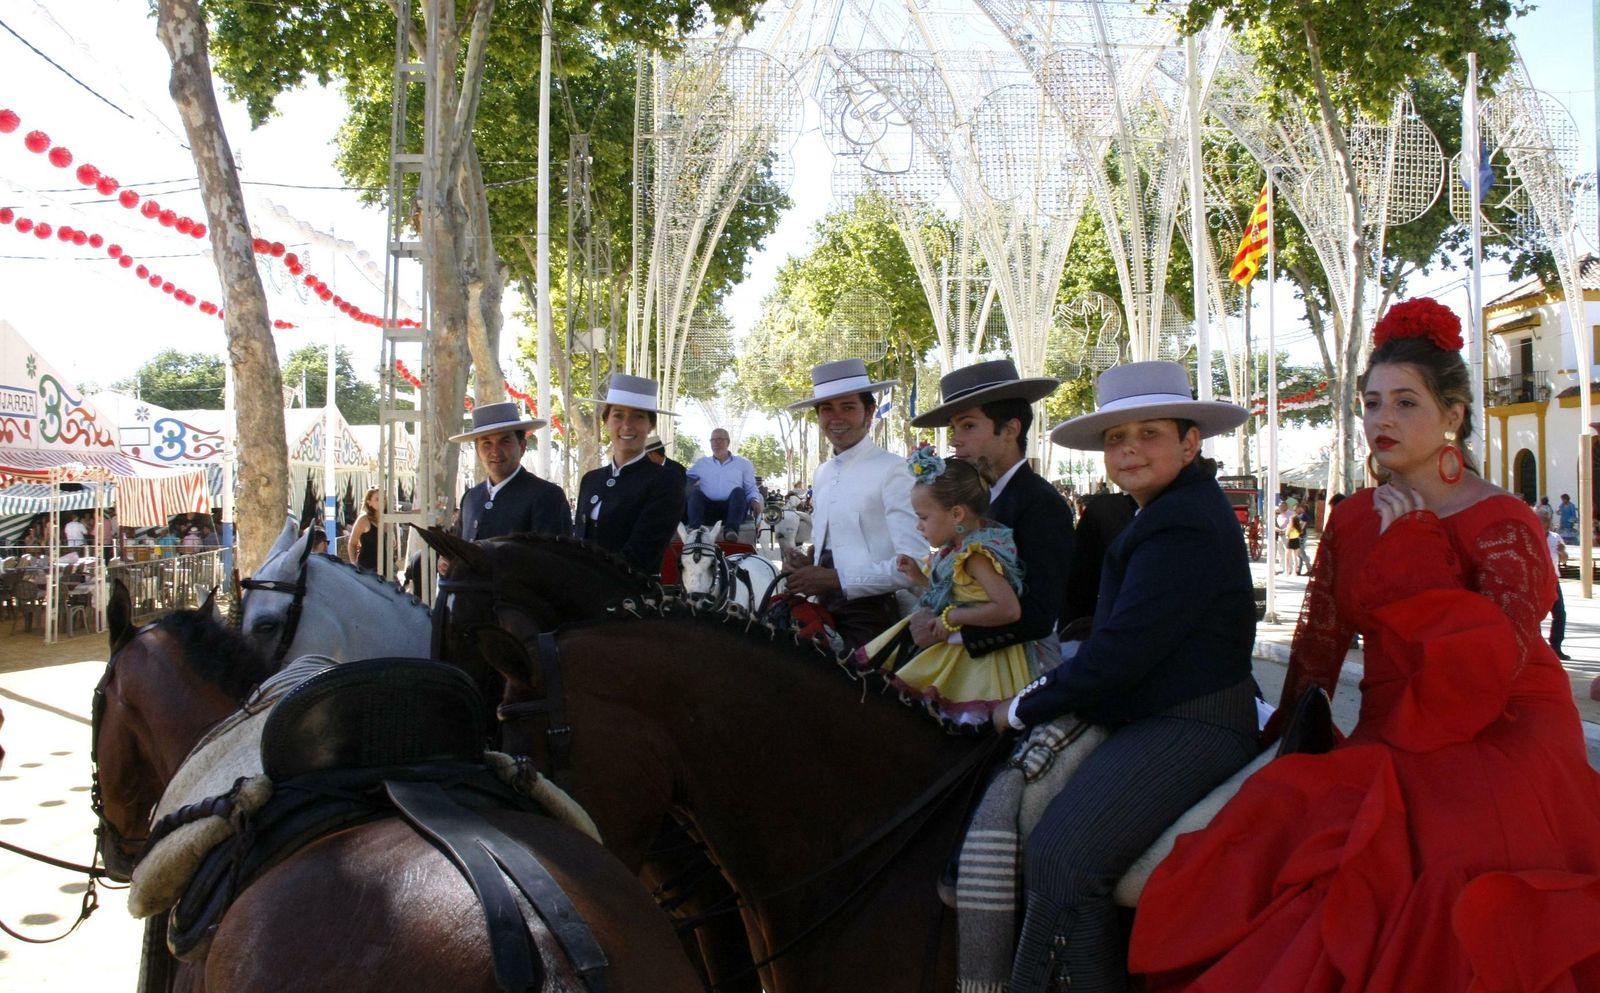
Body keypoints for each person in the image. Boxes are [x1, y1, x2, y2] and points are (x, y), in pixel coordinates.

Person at [1130, 297, 1600, 992]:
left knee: (1438, 872)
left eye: (1405, 403)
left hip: (1502, 740)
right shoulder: (1351, 519)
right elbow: (1317, 653)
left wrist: (1412, 549)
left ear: (1453, 415)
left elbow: (1486, 673)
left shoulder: (1504, 521)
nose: (1382, 419)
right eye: (1372, 402)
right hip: (1393, 735)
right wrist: (1272, 743)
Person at [991, 360, 1258, 993]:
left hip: (1190, 720)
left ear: (1190, 442)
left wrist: (1022, 707)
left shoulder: (1181, 520)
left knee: (1063, 856)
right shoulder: (1162, 509)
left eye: (1150, 433)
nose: (1130, 448)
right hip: (1163, 708)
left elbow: (1122, 656)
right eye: (1117, 437)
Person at [907, 358, 1074, 671]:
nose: (955, 439)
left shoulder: (1042, 504)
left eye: (968, 425)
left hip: (1020, 667)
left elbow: (1039, 615)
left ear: (1010, 429)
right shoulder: (971, 499)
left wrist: (948, 633)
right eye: (954, 428)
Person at [858, 450, 1036, 724]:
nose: (918, 526)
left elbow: (1008, 609)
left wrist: (952, 617)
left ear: (956, 514)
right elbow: (955, 593)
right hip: (958, 646)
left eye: (923, 517)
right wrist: (920, 578)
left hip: (979, 663)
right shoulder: (955, 551)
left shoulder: (976, 557)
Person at [782, 358, 925, 648]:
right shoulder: (822, 473)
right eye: (826, 409)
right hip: (819, 604)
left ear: (869, 412)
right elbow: (835, 541)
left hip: (870, 612)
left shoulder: (894, 469)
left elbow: (914, 564)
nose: (836, 418)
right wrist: (808, 562)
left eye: (847, 407)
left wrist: (836, 579)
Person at [574, 374, 686, 573]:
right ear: (606, 421)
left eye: (638, 416)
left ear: (650, 425)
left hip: (633, 596)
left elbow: (641, 554)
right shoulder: (591, 480)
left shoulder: (666, 481)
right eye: (618, 415)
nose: (627, 425)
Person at [452, 401, 572, 543]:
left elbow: (555, 559)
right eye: (486, 444)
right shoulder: (471, 498)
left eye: (505, 441)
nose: (495, 452)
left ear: (522, 446)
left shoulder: (546, 496)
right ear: (478, 451)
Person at [686, 428, 762, 541]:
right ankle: (697, 532)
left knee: (739, 491)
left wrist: (754, 500)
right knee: (696, 494)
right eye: (713, 440)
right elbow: (684, 478)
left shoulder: (743, 464)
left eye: (720, 439)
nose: (716, 443)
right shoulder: (701, 464)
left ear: (728, 442)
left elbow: (751, 488)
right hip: (708, 510)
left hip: (732, 510)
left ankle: (731, 531)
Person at [1546, 516, 1571, 660]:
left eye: (1547, 521)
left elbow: (1564, 559)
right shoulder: (1532, 533)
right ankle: (1536, 648)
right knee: (1535, 616)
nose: (1545, 523)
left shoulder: (1556, 537)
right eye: (1542, 520)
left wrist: (1562, 552)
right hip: (1537, 579)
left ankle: (1555, 646)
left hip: (1553, 579)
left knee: (1560, 614)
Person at [347, 487, 383, 572]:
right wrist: (354, 564)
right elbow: (352, 543)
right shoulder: (364, 520)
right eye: (377, 499)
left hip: (385, 569)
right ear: (369, 502)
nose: (382, 501)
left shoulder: (388, 519)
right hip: (367, 569)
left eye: (384, 498)